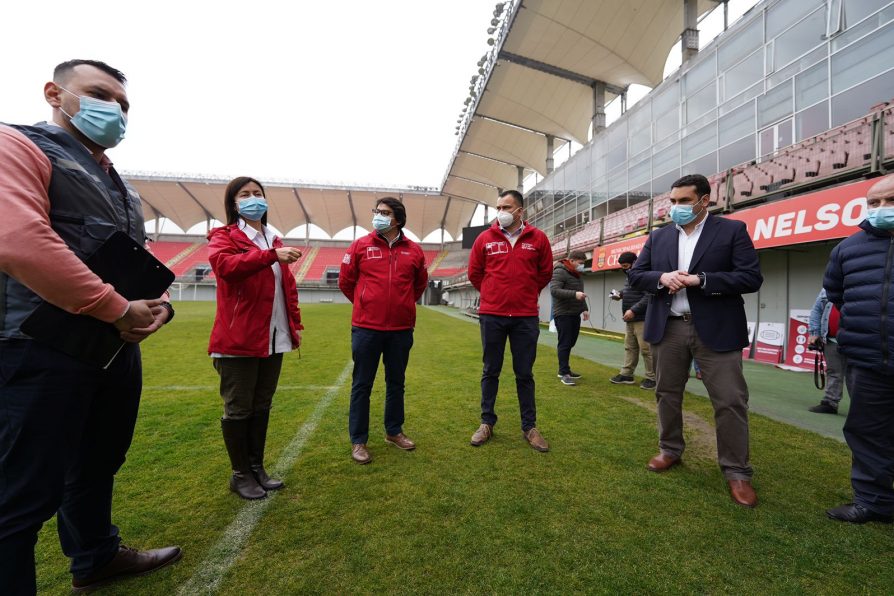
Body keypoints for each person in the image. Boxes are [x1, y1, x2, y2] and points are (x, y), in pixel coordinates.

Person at [0, 60, 181, 594]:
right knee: (22, 494)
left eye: (123, 105)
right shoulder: (19, 146)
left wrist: (158, 306)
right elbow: (21, 242)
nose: (115, 111)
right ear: (56, 93)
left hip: (111, 347)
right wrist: (116, 308)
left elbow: (138, 264)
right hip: (38, 349)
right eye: (101, 95)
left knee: (99, 460)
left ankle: (95, 556)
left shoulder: (119, 184)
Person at [627, 174, 763, 508]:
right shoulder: (658, 238)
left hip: (715, 328)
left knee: (730, 400)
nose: (676, 207)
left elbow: (750, 277)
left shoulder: (731, 231)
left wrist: (702, 280)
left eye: (683, 201)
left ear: (704, 200)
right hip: (668, 327)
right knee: (666, 393)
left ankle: (737, 471)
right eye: (672, 202)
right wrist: (661, 277)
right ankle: (670, 449)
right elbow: (636, 274)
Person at [207, 177, 304, 498]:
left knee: (261, 405)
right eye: (244, 195)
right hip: (238, 340)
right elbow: (225, 266)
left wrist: (294, 326)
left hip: (274, 337)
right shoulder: (224, 236)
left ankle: (256, 467)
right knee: (238, 408)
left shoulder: (273, 238)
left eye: (258, 193)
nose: (253, 199)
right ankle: (240, 474)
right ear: (233, 204)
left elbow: (283, 290)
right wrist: (270, 257)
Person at [822, 173, 894, 524]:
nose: (881, 209)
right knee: (868, 432)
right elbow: (836, 294)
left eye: (890, 201)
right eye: (874, 203)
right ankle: (873, 501)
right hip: (867, 359)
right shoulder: (848, 248)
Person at [338, 197, 428, 464]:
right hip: (366, 329)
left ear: (397, 219)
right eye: (376, 211)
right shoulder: (360, 246)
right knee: (362, 385)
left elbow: (419, 285)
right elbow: (346, 282)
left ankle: (394, 431)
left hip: (401, 329)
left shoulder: (414, 250)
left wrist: (401, 306)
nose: (378, 216)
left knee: (396, 383)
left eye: (385, 213)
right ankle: (359, 441)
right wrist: (366, 305)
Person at [468, 190, 554, 452]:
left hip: (525, 317)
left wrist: (525, 295)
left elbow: (545, 273)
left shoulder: (538, 238)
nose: (501, 212)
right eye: (498, 207)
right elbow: (475, 273)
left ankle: (529, 426)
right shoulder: (484, 238)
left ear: (520, 211)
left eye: (506, 207)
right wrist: (494, 295)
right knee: (490, 370)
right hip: (492, 315)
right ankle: (486, 423)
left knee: (524, 373)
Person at [609, 251, 655, 390]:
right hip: (630, 319)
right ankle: (627, 374)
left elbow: (649, 296)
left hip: (642, 318)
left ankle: (652, 378)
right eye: (622, 266)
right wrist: (620, 294)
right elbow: (632, 291)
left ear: (635, 262)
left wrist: (634, 310)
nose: (624, 268)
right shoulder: (630, 275)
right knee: (630, 347)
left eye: (626, 265)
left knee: (646, 349)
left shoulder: (645, 274)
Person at [550, 250, 590, 386]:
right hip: (563, 313)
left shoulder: (577, 274)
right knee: (565, 343)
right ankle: (563, 372)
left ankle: (565, 369)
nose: (582, 266)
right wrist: (574, 294)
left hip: (574, 313)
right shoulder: (559, 271)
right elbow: (554, 290)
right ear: (572, 260)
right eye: (580, 263)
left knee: (571, 342)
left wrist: (584, 308)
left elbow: (581, 294)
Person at [806, 289, 846, 414]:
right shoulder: (826, 289)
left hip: (855, 340)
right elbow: (817, 310)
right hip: (831, 339)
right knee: (833, 371)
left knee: (856, 376)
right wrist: (814, 332)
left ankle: (861, 407)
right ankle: (830, 403)